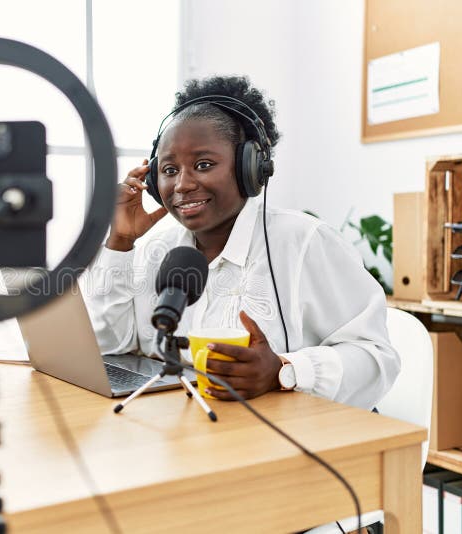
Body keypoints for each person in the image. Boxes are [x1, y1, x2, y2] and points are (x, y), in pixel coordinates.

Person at [84, 75, 399, 410]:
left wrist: (283, 370)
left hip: (292, 439)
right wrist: (120, 242)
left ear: (251, 168)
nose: (183, 184)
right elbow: (110, 347)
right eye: (169, 169)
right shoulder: (154, 251)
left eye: (203, 165)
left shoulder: (304, 244)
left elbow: (377, 359)